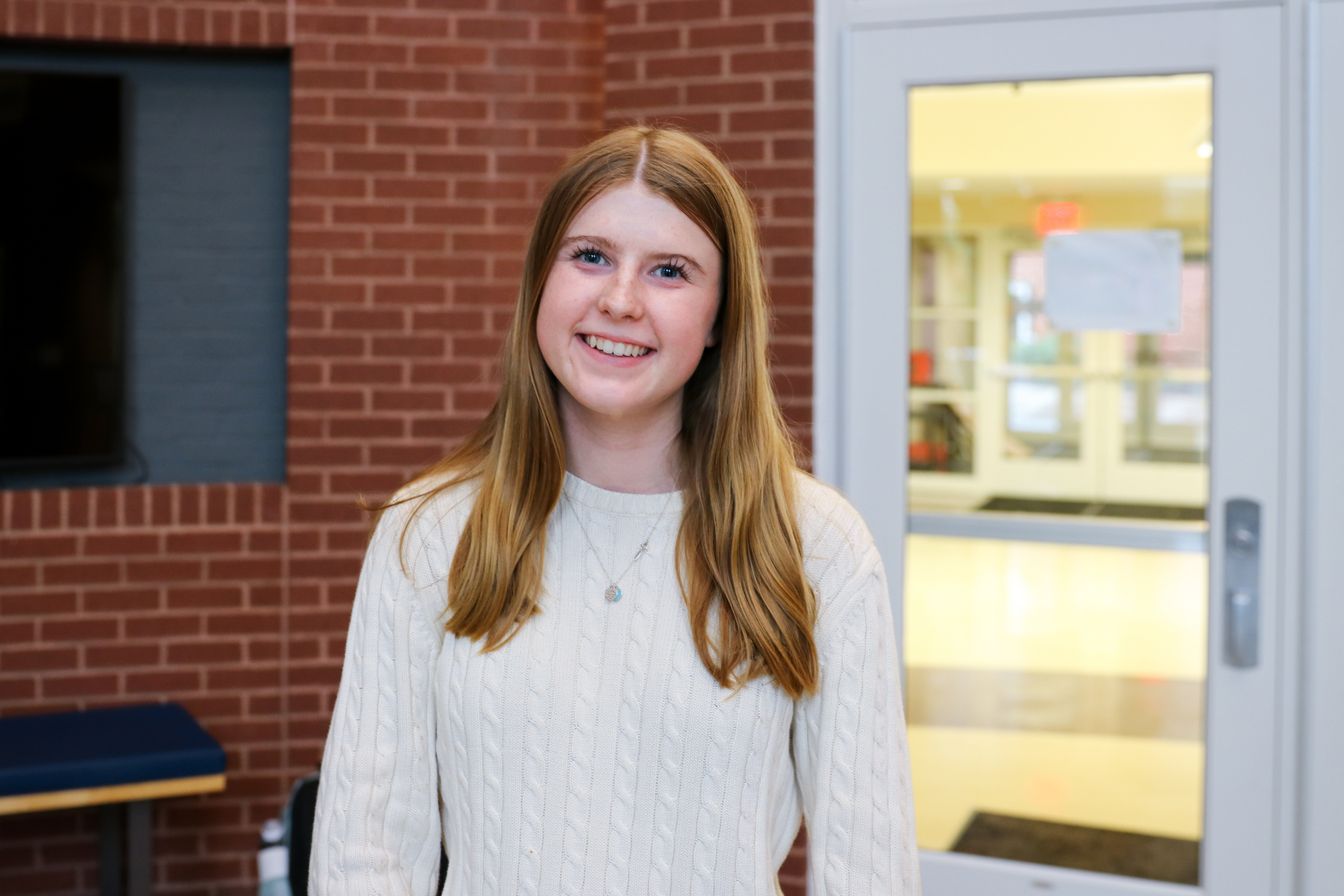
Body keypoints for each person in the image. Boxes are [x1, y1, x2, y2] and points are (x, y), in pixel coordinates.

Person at [308, 125, 920, 895]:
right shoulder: (430, 530)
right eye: (591, 256)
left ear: (720, 318)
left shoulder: (817, 545)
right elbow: (364, 853)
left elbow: (869, 867)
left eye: (669, 271)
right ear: (541, 282)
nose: (620, 300)